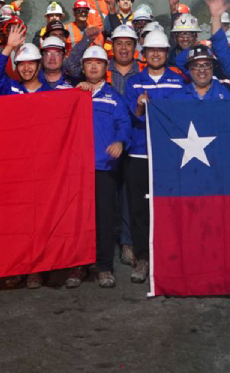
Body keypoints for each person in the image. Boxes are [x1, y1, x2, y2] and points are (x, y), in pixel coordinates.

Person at [122, 30, 188, 284]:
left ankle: (168, 255)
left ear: (166, 53)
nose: (156, 54)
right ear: (145, 53)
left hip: (169, 154)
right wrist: (140, 106)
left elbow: (180, 117)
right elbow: (133, 116)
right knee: (139, 210)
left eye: (160, 50)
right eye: (151, 50)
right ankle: (143, 258)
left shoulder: (178, 81)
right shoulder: (134, 83)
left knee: (169, 208)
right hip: (139, 154)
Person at [69, 46, 131, 289]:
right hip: (76, 169)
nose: (93, 66)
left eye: (98, 62)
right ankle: (79, 265)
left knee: (104, 219)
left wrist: (120, 141)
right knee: (77, 219)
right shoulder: (73, 94)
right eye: (89, 62)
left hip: (103, 168)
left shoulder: (114, 97)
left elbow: (124, 123)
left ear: (106, 68)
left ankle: (104, 267)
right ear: (82, 67)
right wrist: (76, 94)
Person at [0, 24, 49, 95]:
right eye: (21, 64)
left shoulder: (51, 92)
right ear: (17, 67)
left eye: (31, 63)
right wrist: (9, 47)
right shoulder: (11, 89)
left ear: (39, 65)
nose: (26, 68)